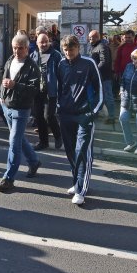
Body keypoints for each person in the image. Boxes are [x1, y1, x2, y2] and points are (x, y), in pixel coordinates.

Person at [56, 35, 103, 206]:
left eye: (72, 49)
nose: (69, 52)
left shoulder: (89, 63)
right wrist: (58, 108)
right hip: (66, 114)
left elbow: (99, 89)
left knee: (82, 151)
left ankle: (81, 190)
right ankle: (77, 182)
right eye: (66, 49)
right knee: (70, 151)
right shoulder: (61, 64)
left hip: (84, 115)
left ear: (78, 48)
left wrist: (93, 112)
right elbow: (60, 88)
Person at [0, 33, 41, 193]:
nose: (16, 51)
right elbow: (4, 78)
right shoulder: (10, 59)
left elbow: (35, 90)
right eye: (14, 48)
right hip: (7, 106)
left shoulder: (32, 66)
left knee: (14, 142)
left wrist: (16, 85)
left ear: (27, 49)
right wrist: (1, 96)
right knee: (19, 139)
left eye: (20, 48)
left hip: (21, 109)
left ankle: (8, 178)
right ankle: (34, 161)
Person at [30, 33, 62, 149]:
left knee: (49, 116)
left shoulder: (56, 55)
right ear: (37, 43)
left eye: (45, 41)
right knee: (38, 116)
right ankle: (43, 142)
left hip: (51, 91)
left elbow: (62, 73)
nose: (43, 44)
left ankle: (58, 136)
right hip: (37, 91)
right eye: (41, 42)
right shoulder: (34, 55)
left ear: (49, 41)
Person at [88, 30, 116, 125]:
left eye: (93, 37)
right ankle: (97, 113)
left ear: (98, 37)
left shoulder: (102, 46)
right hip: (97, 77)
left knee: (108, 97)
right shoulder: (94, 47)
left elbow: (104, 62)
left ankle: (112, 117)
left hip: (104, 77)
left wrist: (94, 71)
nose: (91, 39)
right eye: (90, 37)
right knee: (97, 96)